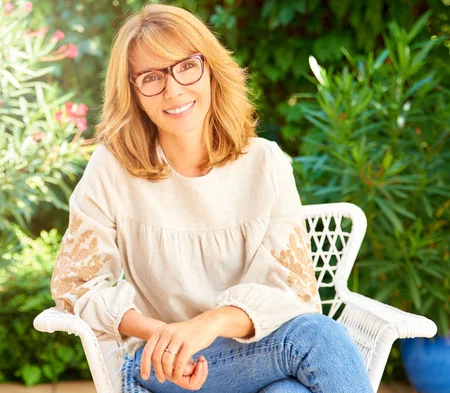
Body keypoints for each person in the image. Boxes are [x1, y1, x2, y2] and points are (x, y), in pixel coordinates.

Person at [50, 3, 373, 393]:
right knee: (319, 338)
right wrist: (166, 336)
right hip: (160, 364)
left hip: (253, 352)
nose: (173, 89)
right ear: (133, 92)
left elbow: (293, 293)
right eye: (151, 77)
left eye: (186, 66)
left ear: (211, 70)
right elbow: (77, 285)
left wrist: (210, 323)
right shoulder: (112, 168)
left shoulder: (265, 162)